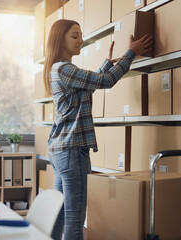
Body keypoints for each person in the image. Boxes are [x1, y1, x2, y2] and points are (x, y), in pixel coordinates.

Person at [43, 19, 153, 240]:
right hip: (73, 150)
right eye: (75, 36)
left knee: (60, 214)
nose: (80, 40)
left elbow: (87, 87)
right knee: (75, 219)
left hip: (61, 150)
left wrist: (106, 64)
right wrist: (130, 54)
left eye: (80, 35)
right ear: (59, 39)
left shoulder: (59, 69)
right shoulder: (64, 68)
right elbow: (107, 81)